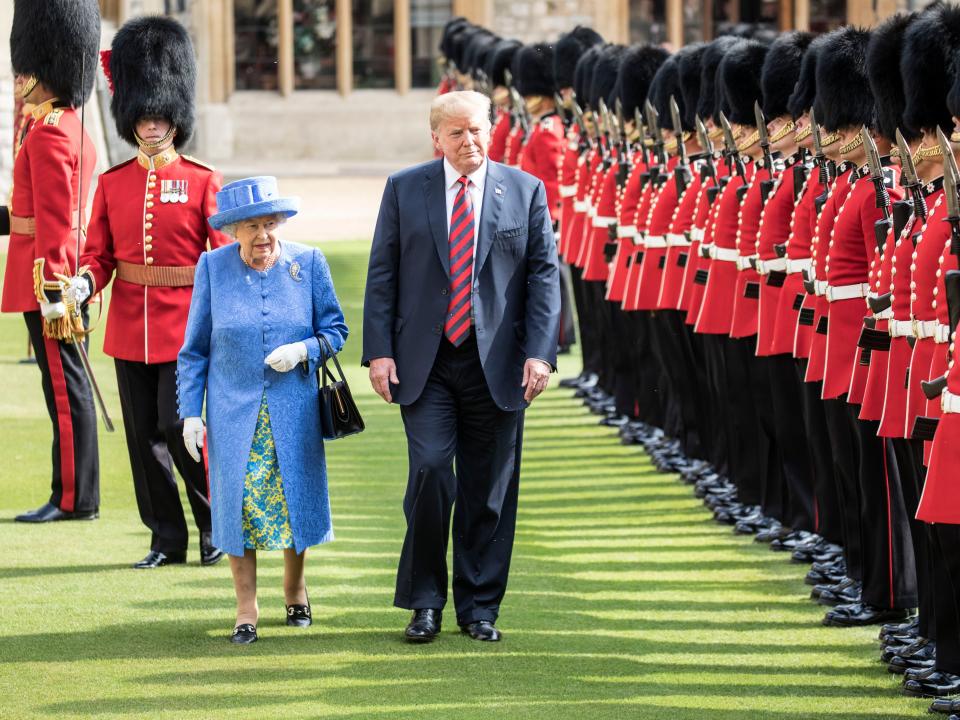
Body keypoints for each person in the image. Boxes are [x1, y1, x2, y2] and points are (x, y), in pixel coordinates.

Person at [363, 90, 561, 643]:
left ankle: (479, 609)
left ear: (491, 130)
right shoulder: (406, 188)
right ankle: (424, 601)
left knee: (488, 490)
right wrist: (379, 351)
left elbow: (544, 278)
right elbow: (383, 273)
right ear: (437, 138)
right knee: (429, 472)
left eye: (476, 130)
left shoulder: (525, 190)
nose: (468, 142)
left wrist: (541, 353)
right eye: (456, 134)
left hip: (496, 365)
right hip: (425, 364)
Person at [67, 16, 230, 569]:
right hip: (127, 328)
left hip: (185, 329)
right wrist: (85, 282)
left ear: (175, 119)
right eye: (142, 114)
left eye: (160, 114)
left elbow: (224, 254)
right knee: (143, 440)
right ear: (131, 118)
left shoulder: (203, 180)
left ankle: (214, 526)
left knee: (178, 427)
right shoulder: (113, 183)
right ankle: (166, 538)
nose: (151, 123)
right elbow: (99, 254)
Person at [177, 177, 348, 644]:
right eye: (251, 226)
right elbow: (193, 352)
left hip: (293, 412)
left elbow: (336, 330)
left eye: (270, 224)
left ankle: (295, 590)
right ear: (233, 230)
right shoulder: (212, 268)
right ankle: (245, 607)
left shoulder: (308, 262)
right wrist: (192, 413)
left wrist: (303, 351)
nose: (263, 236)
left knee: (296, 503)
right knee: (240, 507)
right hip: (233, 415)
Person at [0, 0, 102, 523]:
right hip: (46, 271)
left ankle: (73, 499)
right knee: (63, 384)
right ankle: (73, 492)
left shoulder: (48, 133)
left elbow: (58, 221)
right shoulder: (62, 125)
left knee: (63, 388)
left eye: (27, 70)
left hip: (48, 279)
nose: (21, 78)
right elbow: (33, 209)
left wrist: (56, 293)